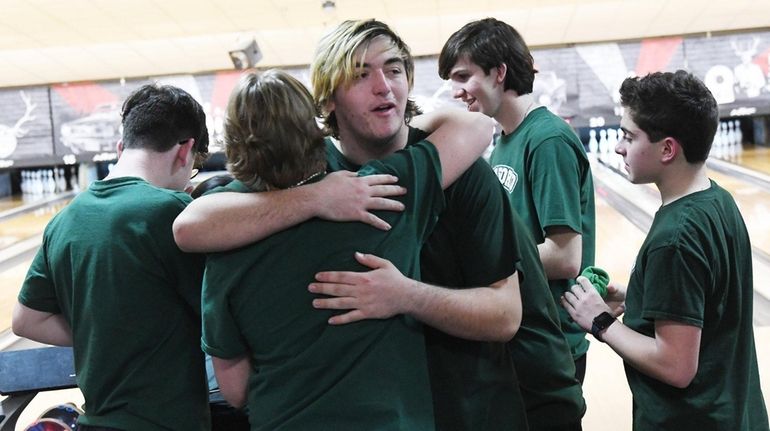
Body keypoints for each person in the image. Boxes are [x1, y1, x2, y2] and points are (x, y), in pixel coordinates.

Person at [175, 19, 529, 430]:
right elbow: (193, 223)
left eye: (394, 71)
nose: (384, 86)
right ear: (326, 101)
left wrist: (406, 295)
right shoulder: (308, 174)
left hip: (472, 409)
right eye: (360, 75)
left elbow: (505, 315)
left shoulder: (458, 172)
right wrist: (316, 198)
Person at [561, 70, 769, 430]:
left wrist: (600, 321)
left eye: (629, 136)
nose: (617, 147)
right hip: (736, 414)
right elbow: (707, 301)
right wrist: (639, 296)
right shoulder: (718, 201)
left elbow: (676, 367)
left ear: (668, 148)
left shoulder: (674, 239)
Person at [12, 84, 211, 430]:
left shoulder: (64, 220)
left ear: (122, 148)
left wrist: (103, 329)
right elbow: (223, 317)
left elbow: (26, 321)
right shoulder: (173, 212)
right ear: (185, 151)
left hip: (96, 422)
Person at [437, 17, 588, 430]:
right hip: (523, 334)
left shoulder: (547, 140)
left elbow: (566, 256)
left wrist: (482, 271)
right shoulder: (504, 139)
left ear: (499, 72)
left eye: (464, 76)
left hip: (554, 341)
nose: (456, 90)